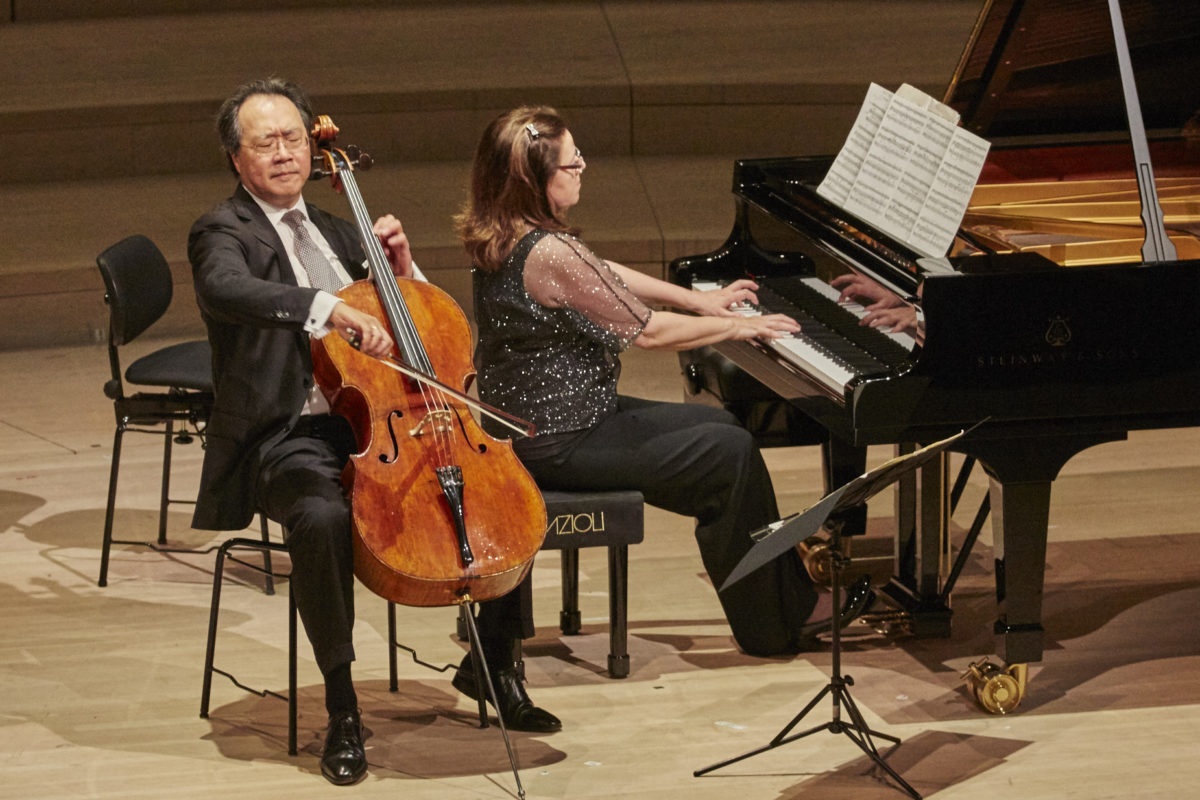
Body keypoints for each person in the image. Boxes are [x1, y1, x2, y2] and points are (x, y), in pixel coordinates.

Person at [187, 78, 556, 788]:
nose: (287, 153)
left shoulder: (333, 226)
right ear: (237, 158)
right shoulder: (222, 232)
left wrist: (401, 269)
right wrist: (327, 307)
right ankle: (344, 705)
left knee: (497, 490)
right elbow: (227, 291)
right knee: (322, 517)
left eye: (294, 137)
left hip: (392, 421)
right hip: (289, 431)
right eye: (267, 142)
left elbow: (417, 318)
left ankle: (495, 667)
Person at [456, 106, 876, 667]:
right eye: (570, 160)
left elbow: (600, 270)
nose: (582, 166)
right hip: (562, 441)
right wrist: (737, 326)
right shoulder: (551, 252)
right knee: (729, 454)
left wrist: (697, 299)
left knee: (719, 428)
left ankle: (775, 592)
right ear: (536, 178)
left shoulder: (511, 234)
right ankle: (775, 622)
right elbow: (649, 333)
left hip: (545, 425)